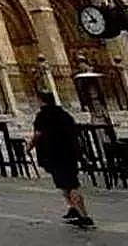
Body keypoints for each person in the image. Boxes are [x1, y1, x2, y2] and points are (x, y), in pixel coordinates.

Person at [26, 91, 93, 229]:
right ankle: (73, 208)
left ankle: (84, 216)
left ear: (41, 101)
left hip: (55, 155)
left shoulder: (43, 116)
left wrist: (29, 147)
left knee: (71, 185)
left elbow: (38, 134)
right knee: (64, 183)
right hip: (69, 153)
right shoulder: (64, 114)